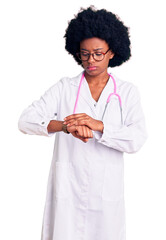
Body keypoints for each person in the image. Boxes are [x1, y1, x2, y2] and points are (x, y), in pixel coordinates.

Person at [18, 6, 147, 240]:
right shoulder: (65, 88)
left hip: (107, 196)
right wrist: (65, 127)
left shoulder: (127, 92)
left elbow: (136, 139)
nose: (90, 60)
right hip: (68, 192)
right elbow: (26, 120)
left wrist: (100, 126)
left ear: (112, 52)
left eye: (98, 53)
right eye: (84, 53)